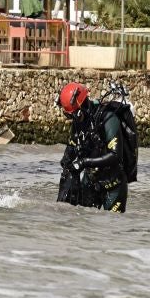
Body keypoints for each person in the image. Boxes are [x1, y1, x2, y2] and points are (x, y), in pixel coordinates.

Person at [56, 81, 135, 213]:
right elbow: (71, 151)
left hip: (113, 185)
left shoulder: (108, 118)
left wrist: (84, 162)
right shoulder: (78, 123)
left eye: (73, 115)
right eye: (69, 116)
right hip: (90, 182)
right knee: (84, 224)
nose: (73, 120)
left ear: (81, 109)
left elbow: (116, 155)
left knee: (111, 227)